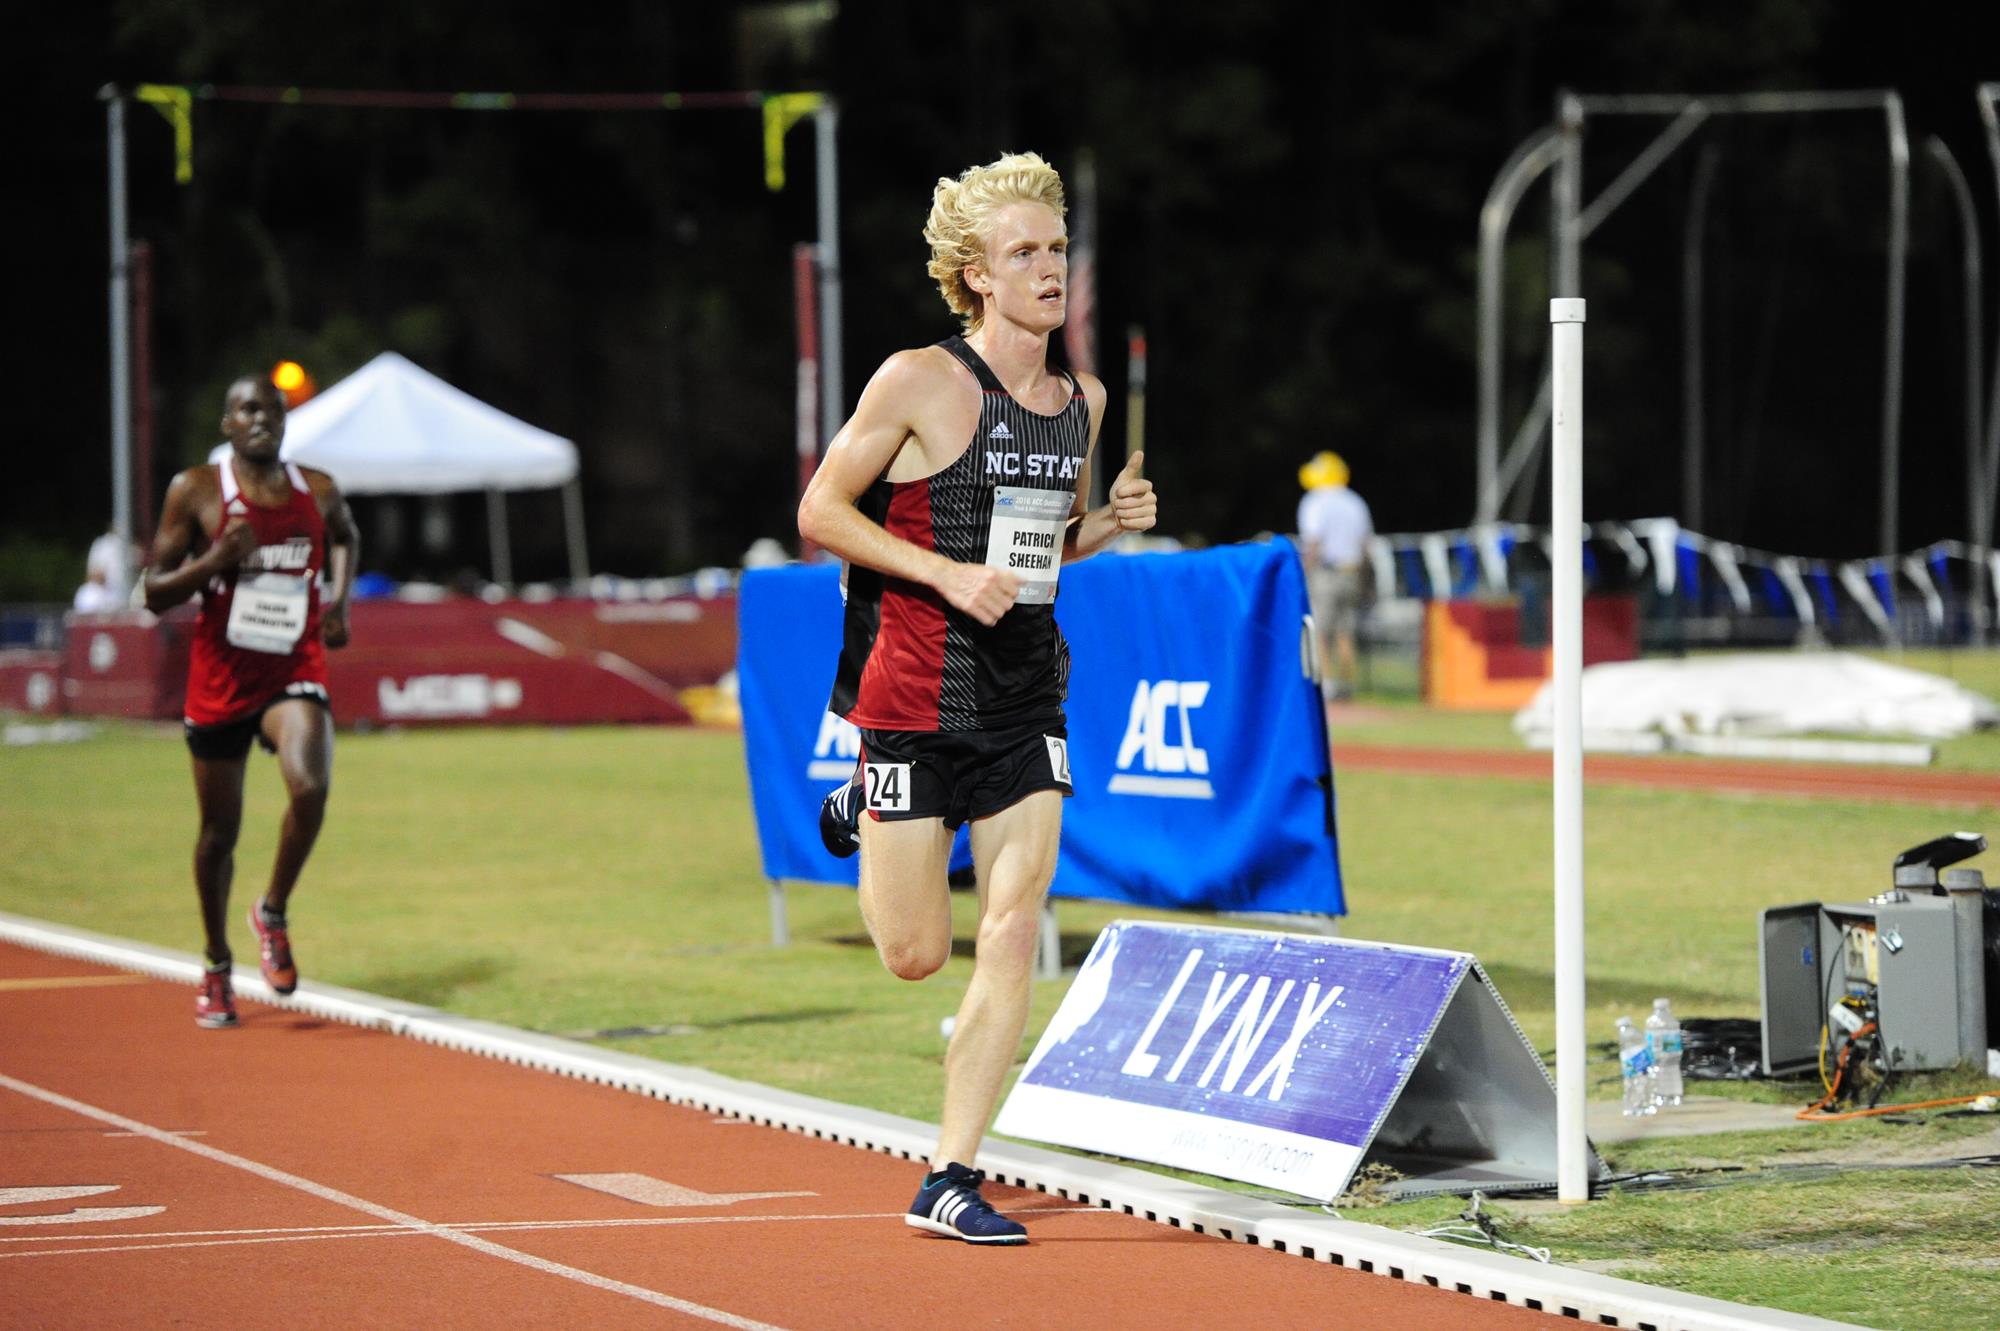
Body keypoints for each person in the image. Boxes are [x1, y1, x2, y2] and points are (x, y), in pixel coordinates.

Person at [798, 152, 1156, 1245]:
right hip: (910, 699)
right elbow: (821, 510)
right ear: (975, 277)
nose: (1048, 269)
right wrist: (944, 573)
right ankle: (862, 799)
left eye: (1056, 249)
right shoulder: (919, 380)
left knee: (1009, 930)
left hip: (1025, 697)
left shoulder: (1080, 401)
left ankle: (948, 1172)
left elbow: (1039, 553)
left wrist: (1106, 523)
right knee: (912, 953)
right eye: (1023, 254)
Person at [143, 373, 359, 1028]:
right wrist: (214, 563)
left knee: (310, 786)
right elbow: (153, 590)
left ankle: (272, 910)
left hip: (293, 666)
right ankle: (215, 963)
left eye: (272, 408)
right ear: (227, 425)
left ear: (285, 420)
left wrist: (339, 601)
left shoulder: (316, 490)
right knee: (218, 835)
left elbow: (346, 536)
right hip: (220, 680)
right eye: (247, 408)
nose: (261, 417)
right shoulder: (198, 491)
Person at [1295, 450, 1373, 700]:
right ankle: (1348, 687)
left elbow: (1314, 542)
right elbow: (1365, 545)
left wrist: (1302, 572)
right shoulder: (1355, 501)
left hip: (1326, 573)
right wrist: (1366, 580)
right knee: (1345, 632)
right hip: (1351, 572)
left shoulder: (1315, 501)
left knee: (1321, 630)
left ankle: (1326, 686)